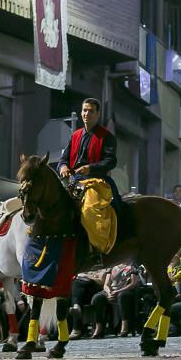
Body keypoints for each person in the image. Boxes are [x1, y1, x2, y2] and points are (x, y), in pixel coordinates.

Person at [58, 98, 120, 253]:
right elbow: (63, 159)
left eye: (91, 111)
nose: (87, 114)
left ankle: (97, 248)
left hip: (96, 180)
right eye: (84, 110)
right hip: (72, 180)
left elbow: (110, 161)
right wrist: (64, 167)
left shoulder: (107, 136)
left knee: (90, 209)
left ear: (97, 114)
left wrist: (90, 168)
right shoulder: (76, 135)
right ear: (81, 112)